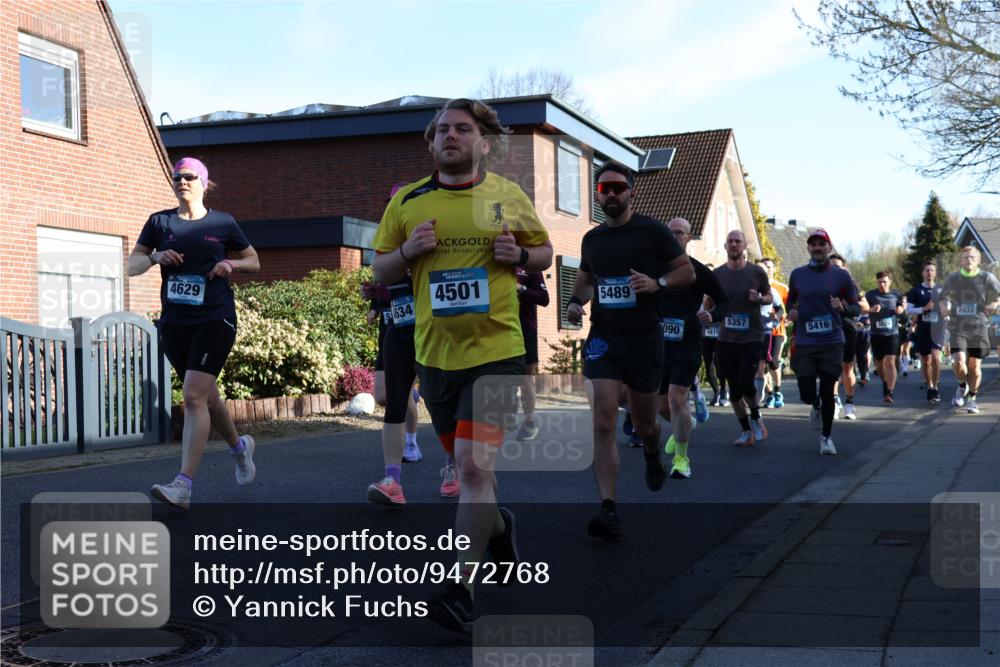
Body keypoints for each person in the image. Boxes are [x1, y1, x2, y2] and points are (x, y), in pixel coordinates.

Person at [373, 98, 552, 631]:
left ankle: (460, 587)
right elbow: (380, 268)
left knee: (473, 469)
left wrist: (518, 257)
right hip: (435, 357)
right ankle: (498, 527)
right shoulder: (407, 201)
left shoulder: (507, 196)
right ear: (431, 142)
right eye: (442, 130)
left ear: (484, 142)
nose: (451, 136)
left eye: (463, 129)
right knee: (477, 477)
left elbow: (543, 252)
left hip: (496, 352)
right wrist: (407, 252)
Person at [566, 161, 693, 540]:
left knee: (645, 423)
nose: (612, 194)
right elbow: (587, 280)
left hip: (644, 340)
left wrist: (657, 283)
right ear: (598, 195)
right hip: (605, 339)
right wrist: (574, 302)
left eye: (618, 187)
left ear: (631, 191)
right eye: (604, 189)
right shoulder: (593, 240)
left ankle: (653, 451)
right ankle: (608, 508)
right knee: (603, 422)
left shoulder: (652, 231)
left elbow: (686, 271)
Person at [128, 157, 260, 510]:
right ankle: (240, 448)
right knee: (207, 397)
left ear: (203, 181)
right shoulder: (159, 222)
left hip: (215, 317)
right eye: (176, 177)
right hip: (175, 323)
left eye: (188, 176)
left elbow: (254, 261)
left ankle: (183, 485)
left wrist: (230, 263)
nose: (181, 181)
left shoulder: (223, 222)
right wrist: (155, 257)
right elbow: (132, 266)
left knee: (192, 397)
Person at [658, 218, 727, 479]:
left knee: (677, 397)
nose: (674, 237)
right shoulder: (653, 269)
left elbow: (723, 301)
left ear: (689, 238)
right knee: (659, 404)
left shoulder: (697, 271)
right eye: (670, 233)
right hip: (658, 344)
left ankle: (681, 459)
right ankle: (686, 424)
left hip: (688, 342)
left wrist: (714, 315)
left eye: (680, 233)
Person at [785, 230, 859, 455]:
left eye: (822, 244)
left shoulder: (842, 276)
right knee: (807, 393)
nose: (817, 248)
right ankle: (814, 404)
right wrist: (792, 314)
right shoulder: (797, 275)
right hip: (806, 342)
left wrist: (843, 308)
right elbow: (791, 304)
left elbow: (855, 307)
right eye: (813, 244)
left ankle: (826, 438)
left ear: (829, 248)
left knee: (828, 391)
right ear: (808, 248)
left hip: (832, 341)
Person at [698, 230, 772, 447]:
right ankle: (746, 431)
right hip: (726, 338)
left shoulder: (757, 272)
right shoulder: (718, 274)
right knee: (733, 387)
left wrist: (758, 298)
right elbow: (711, 302)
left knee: (745, 382)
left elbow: (768, 296)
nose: (734, 245)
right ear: (725, 246)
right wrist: (707, 308)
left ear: (744, 246)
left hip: (751, 336)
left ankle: (756, 416)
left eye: (737, 241)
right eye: (730, 241)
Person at [940, 246, 1000, 414]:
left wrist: (995, 304)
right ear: (961, 260)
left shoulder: (987, 278)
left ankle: (972, 399)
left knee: (974, 366)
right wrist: (944, 306)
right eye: (966, 257)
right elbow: (943, 297)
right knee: (959, 362)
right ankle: (961, 385)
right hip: (958, 326)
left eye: (972, 257)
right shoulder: (953, 278)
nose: (969, 260)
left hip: (979, 327)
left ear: (978, 260)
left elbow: (999, 296)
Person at [514, 268, 549, 440]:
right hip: (495, 328)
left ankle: (529, 422)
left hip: (524, 327)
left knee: (524, 377)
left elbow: (544, 298)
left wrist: (520, 288)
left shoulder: (529, 263)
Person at [828, 254, 865, 419]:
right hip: (828, 329)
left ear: (844, 268)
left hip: (847, 327)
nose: (834, 269)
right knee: (831, 368)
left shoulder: (851, 285)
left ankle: (850, 403)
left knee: (847, 367)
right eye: (831, 266)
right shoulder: (822, 284)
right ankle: (834, 401)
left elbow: (860, 308)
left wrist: (845, 308)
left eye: (838, 265)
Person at [905, 261, 946, 404]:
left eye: (932, 270)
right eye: (927, 270)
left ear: (935, 273)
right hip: (923, 329)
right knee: (926, 360)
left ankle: (935, 388)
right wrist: (923, 309)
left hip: (938, 329)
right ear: (923, 273)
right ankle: (929, 385)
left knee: (935, 357)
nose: (929, 272)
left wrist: (945, 310)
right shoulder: (915, 290)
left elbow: (949, 306)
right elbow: (908, 310)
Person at [865, 271, 905, 403]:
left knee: (889, 361)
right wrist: (871, 309)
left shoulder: (896, 294)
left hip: (892, 333)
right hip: (876, 334)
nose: (882, 284)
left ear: (890, 282)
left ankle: (890, 392)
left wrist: (900, 310)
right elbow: (862, 308)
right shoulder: (870, 295)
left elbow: (902, 306)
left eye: (885, 282)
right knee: (879, 365)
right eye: (879, 282)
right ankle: (885, 382)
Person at [757, 258, 788, 409]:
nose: (766, 270)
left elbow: (784, 308)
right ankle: (769, 393)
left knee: (773, 362)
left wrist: (779, 317)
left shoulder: (778, 288)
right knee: (762, 364)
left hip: (777, 331)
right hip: (759, 331)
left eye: (768, 267)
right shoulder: (749, 286)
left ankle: (777, 391)